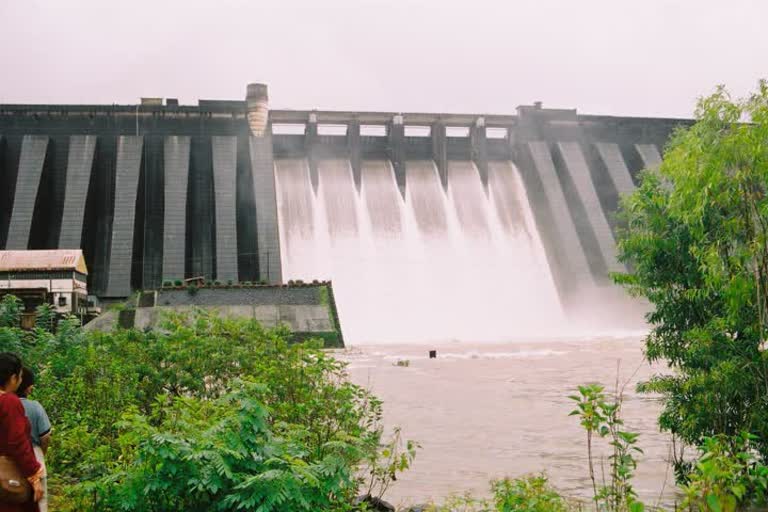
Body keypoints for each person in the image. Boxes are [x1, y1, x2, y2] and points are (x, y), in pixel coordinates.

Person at [0, 353, 43, 512]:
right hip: (8, 478)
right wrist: (34, 476)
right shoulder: (9, 402)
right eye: (19, 376)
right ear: (12, 378)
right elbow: (18, 443)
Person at [16, 369, 50, 512]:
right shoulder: (35, 407)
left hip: (7, 458)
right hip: (34, 453)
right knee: (39, 499)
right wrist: (41, 452)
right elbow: (45, 436)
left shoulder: (3, 403)